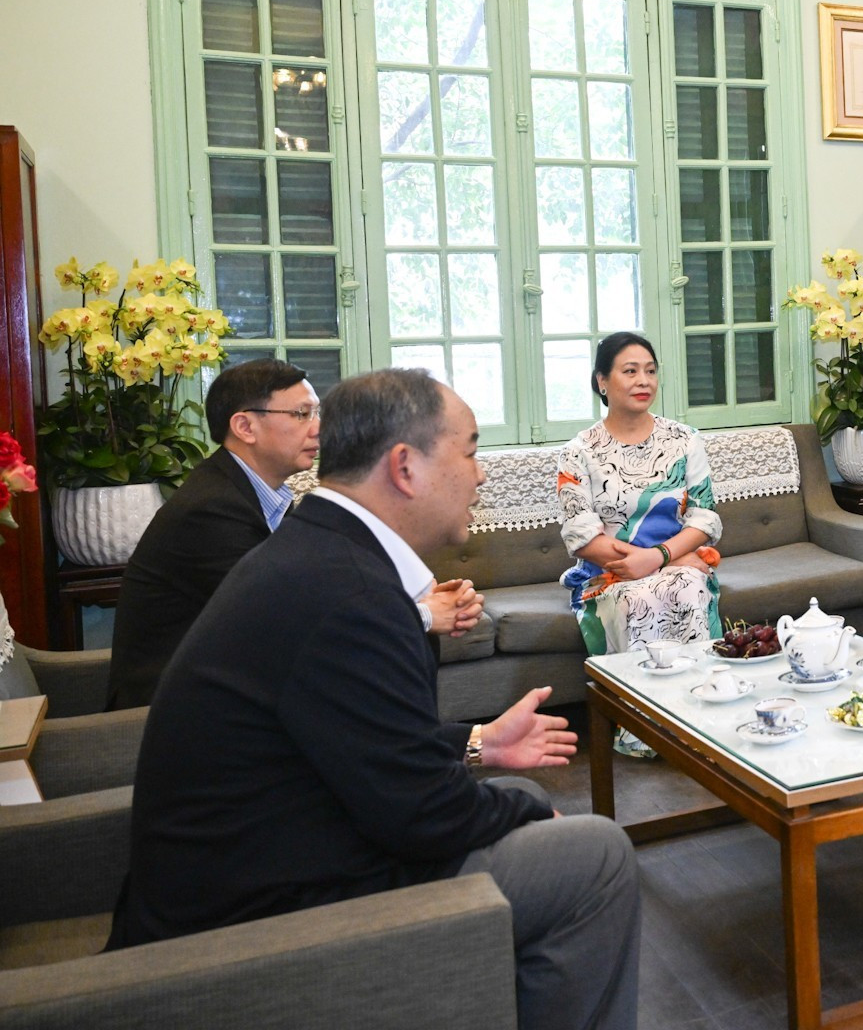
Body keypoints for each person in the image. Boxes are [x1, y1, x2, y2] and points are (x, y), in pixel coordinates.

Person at [112, 369, 643, 1030]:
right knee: (595, 855)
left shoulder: (322, 552)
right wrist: (518, 812)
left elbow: (343, 728)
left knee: (530, 803)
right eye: (471, 451)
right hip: (251, 917)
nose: (481, 476)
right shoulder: (348, 592)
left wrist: (473, 745)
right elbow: (421, 814)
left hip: (272, 849)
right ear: (404, 467)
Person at [106, 357, 481, 710]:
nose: (318, 428)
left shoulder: (257, 493)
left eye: (317, 413)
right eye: (301, 414)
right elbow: (285, 622)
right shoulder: (211, 509)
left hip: (241, 678)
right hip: (179, 706)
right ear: (245, 427)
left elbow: (319, 592)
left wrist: (413, 597)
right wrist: (423, 616)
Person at [558, 332, 722, 657]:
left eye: (650, 371)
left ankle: (697, 700)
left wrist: (657, 559)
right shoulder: (579, 452)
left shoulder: (684, 441)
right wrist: (657, 563)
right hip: (609, 573)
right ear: (601, 381)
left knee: (688, 588)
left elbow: (704, 518)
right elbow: (582, 537)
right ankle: (637, 705)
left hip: (677, 567)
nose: (643, 381)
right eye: (630, 371)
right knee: (637, 598)